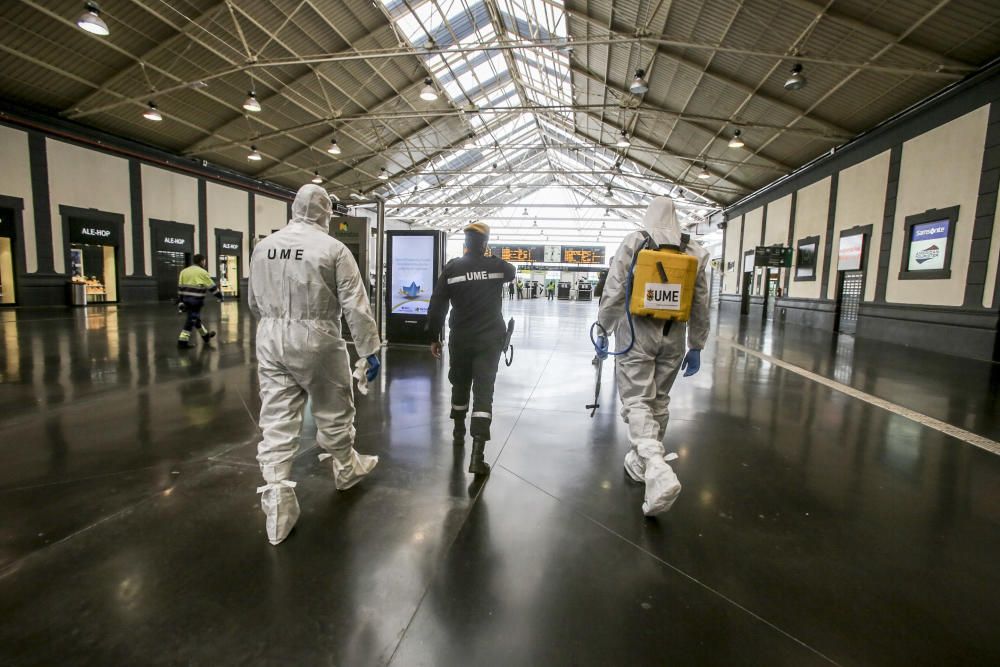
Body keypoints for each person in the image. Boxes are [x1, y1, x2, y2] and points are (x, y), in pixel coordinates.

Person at [247, 184, 382, 545]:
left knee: (276, 415)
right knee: (333, 406)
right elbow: (356, 305)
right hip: (318, 335)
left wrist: (273, 324)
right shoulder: (333, 249)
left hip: (270, 335)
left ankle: (277, 502)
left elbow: (253, 301)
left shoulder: (263, 247)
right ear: (325, 211)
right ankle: (346, 468)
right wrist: (369, 350)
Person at [595, 197, 709, 516]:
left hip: (635, 332)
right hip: (674, 336)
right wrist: (697, 344)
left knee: (636, 400)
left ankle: (657, 467)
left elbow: (615, 289)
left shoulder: (635, 242)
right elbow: (701, 301)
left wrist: (603, 328)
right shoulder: (695, 250)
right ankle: (641, 461)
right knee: (658, 401)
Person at [427, 222, 516, 476]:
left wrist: (434, 336)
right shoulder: (498, 267)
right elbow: (512, 272)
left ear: (465, 243)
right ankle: (477, 456)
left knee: (460, 383)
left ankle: (458, 433)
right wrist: (490, 256)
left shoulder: (453, 268)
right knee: (483, 393)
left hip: (461, 339)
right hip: (489, 341)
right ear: (485, 243)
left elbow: (437, 304)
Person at [176, 254, 222, 348]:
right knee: (191, 320)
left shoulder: (184, 271)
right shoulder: (202, 272)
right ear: (201, 261)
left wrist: (180, 301)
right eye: (204, 261)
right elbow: (212, 287)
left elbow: (180, 287)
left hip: (185, 300)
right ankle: (182, 342)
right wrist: (220, 296)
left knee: (196, 320)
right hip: (196, 301)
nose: (204, 263)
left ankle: (205, 336)